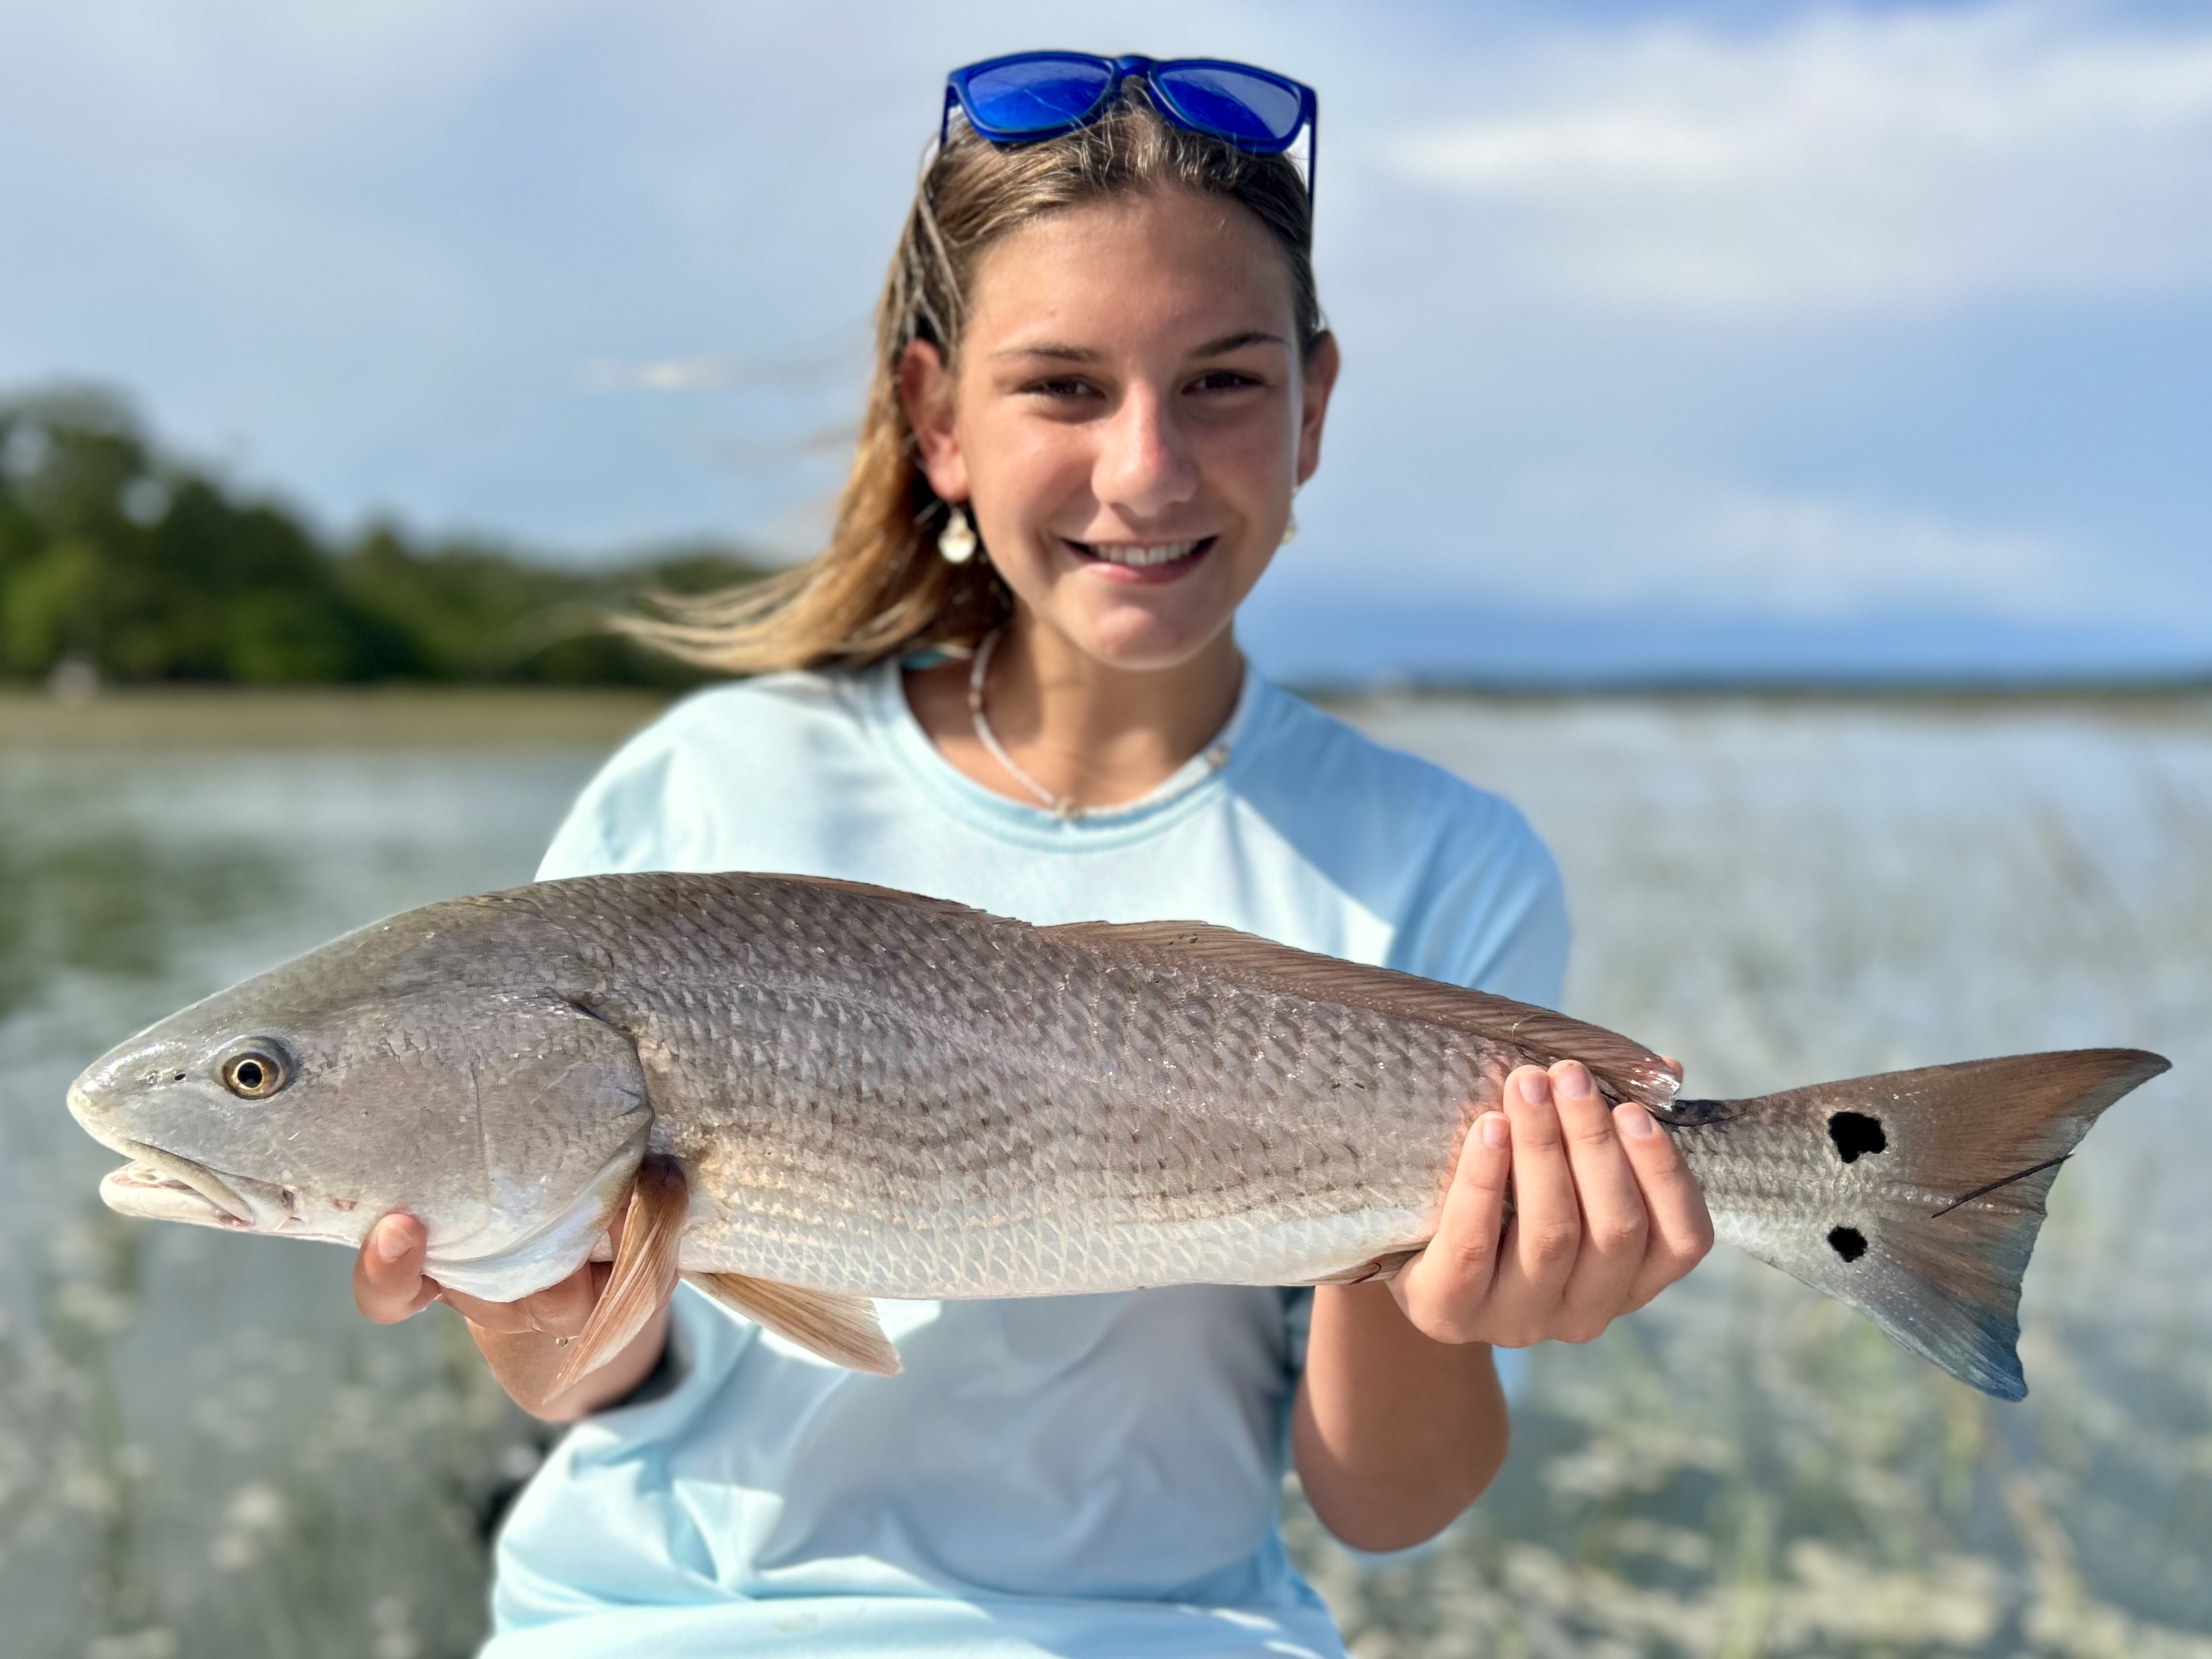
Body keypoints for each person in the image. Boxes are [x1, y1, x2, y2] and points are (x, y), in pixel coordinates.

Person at [353, 52, 1712, 1658]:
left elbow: (1388, 1503)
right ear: (937, 418)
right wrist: (523, 1304)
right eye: (1063, 386)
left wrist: (1446, 1263)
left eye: (1222, 382)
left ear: (1316, 404)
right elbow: (590, 1384)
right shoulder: (705, 783)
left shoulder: (1444, 857)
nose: (1146, 468)